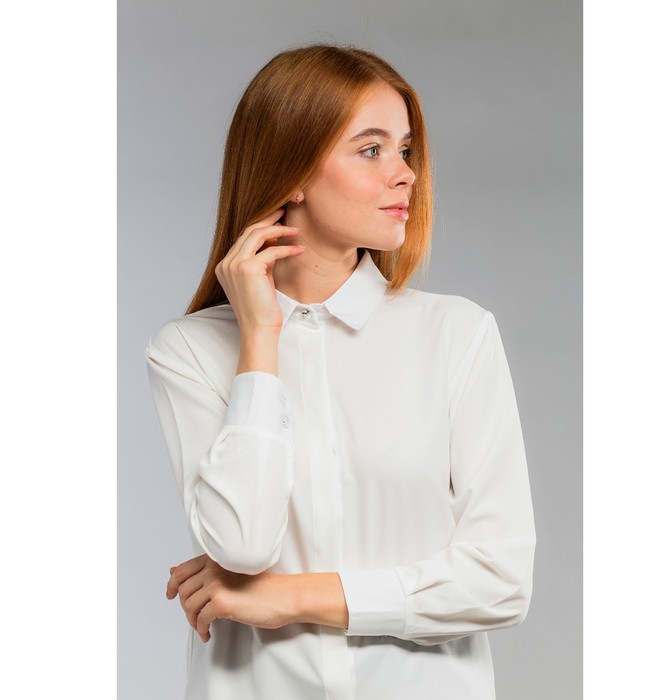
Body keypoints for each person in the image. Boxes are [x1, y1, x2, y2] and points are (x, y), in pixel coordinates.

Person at [144, 44, 536, 700]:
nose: (405, 174)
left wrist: (293, 597)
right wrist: (260, 338)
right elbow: (241, 544)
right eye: (371, 149)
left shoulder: (457, 335)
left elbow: (500, 580)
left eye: (405, 150)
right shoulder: (189, 351)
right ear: (291, 171)